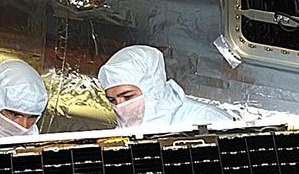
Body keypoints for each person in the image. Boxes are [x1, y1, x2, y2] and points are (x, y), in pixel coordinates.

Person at [97, 45, 230, 131]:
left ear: (152, 87)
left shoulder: (207, 119)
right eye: (112, 101)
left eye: (128, 97)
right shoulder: (123, 131)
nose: (120, 108)